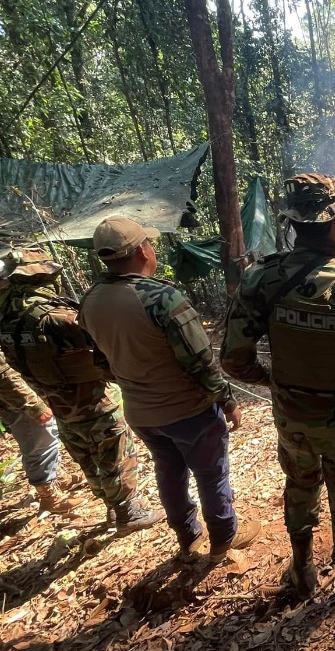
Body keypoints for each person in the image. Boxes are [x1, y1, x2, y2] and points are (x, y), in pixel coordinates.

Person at [220, 173, 335, 601]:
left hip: (294, 417)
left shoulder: (260, 280)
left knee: (301, 484)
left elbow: (233, 359)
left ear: (292, 224)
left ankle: (302, 569)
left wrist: (275, 382)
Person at [79, 216, 259, 562]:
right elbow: (200, 360)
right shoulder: (161, 298)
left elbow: (100, 362)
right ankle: (224, 536)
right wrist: (227, 400)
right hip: (188, 410)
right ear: (142, 250)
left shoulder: (90, 301)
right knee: (210, 473)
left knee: (169, 472)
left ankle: (188, 537)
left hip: (141, 413)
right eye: (149, 243)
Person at [0, 249, 162, 535]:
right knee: (113, 452)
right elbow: (101, 337)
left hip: (58, 402)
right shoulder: (53, 316)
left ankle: (112, 507)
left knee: (86, 455)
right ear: (41, 276)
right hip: (91, 397)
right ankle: (128, 511)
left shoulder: (3, 316)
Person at [0, 259, 83, 514]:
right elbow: (1, 374)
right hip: (15, 401)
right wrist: (34, 405)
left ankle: (57, 478)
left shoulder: (5, 316)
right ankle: (49, 497)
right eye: (12, 283)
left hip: (32, 392)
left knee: (49, 438)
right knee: (38, 443)